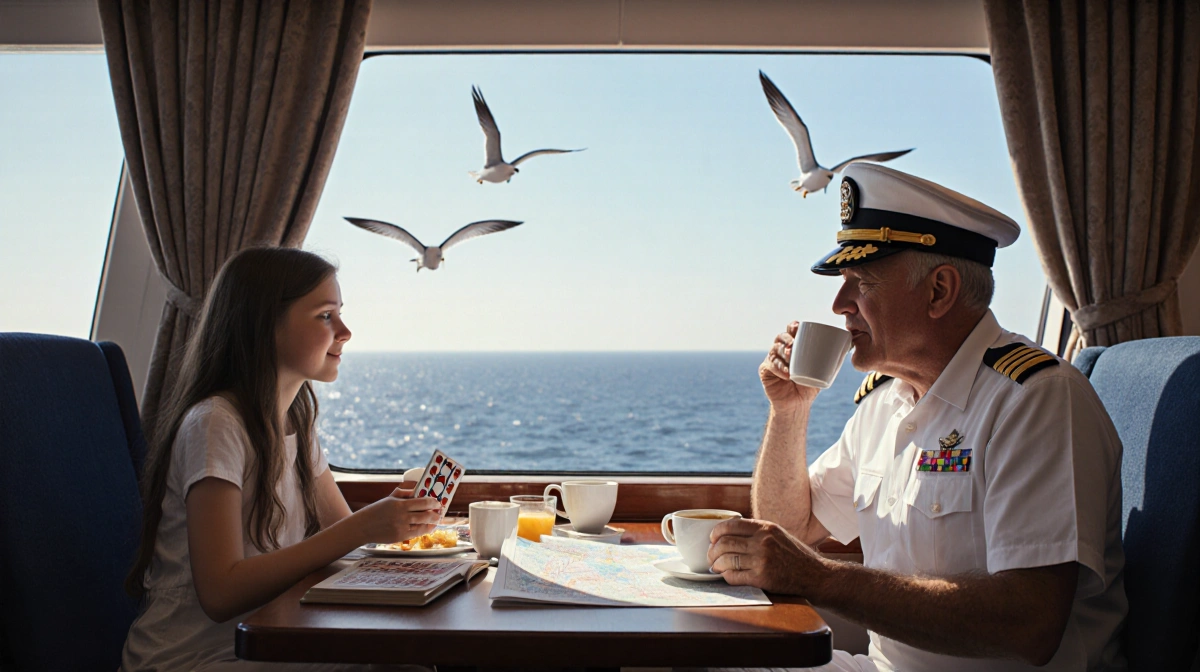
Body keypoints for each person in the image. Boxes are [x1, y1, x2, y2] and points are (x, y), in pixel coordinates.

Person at [706, 164, 1127, 671]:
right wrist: (790, 411)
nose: (840, 305)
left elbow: (1029, 625)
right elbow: (791, 526)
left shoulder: (1036, 401)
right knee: (715, 655)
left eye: (860, 282)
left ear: (938, 291)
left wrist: (820, 579)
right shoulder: (887, 401)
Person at [121, 247, 440, 671]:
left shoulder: (296, 422)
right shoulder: (216, 424)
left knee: (408, 660)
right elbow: (220, 593)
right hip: (194, 658)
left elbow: (342, 536)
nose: (345, 332)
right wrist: (365, 527)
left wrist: (403, 530)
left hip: (264, 641)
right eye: (326, 316)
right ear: (266, 325)